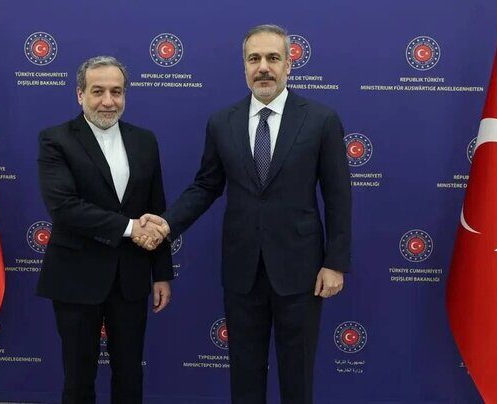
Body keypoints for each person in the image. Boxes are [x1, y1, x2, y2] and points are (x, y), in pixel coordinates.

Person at [137, 25, 351, 403]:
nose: (263, 67)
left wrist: (335, 263)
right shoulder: (223, 122)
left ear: (289, 65)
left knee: (297, 373)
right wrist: (167, 223)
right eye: (255, 59)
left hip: (301, 270)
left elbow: (338, 196)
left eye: (273, 58)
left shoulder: (321, 120)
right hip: (242, 269)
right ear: (244, 66)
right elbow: (206, 186)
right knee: (245, 373)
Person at [37, 55, 173, 404]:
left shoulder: (145, 140)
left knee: (130, 375)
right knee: (78, 378)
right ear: (79, 94)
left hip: (131, 276)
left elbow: (156, 210)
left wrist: (161, 273)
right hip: (75, 276)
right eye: (98, 91)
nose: (108, 101)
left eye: (116, 91)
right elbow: (64, 207)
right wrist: (129, 227)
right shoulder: (55, 139)